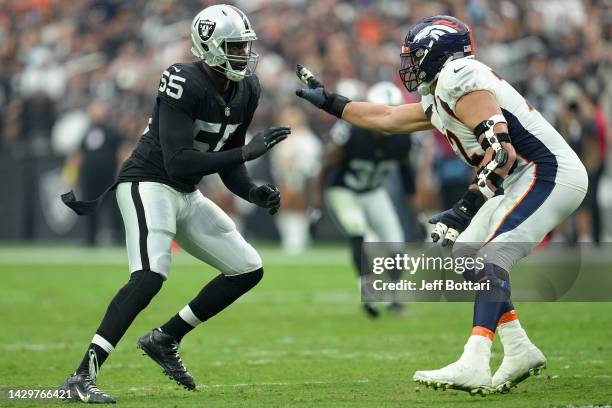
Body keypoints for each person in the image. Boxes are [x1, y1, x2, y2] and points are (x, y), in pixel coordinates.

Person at [296, 15, 587, 394]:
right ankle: (517, 348)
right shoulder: (441, 91)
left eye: (416, 57)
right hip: (521, 178)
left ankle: (476, 359)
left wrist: (462, 209)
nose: (411, 66)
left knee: (490, 259)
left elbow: (502, 154)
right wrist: (333, 103)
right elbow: (386, 117)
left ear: (438, 54)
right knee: (464, 255)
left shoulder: (459, 75)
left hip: (547, 174)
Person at [59, 5, 290, 403]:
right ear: (210, 47)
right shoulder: (183, 80)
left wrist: (253, 191)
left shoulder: (248, 89)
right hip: (147, 182)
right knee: (149, 276)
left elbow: (230, 161)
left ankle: (165, 338)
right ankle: (81, 375)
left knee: (247, 268)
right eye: (234, 47)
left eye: (245, 46)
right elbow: (178, 159)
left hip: (185, 192)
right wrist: (246, 155)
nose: (243, 55)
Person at [311, 81, 414, 318]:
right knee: (359, 232)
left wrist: (415, 212)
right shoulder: (353, 131)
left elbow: (408, 174)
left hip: (373, 191)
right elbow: (325, 167)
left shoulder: (402, 138)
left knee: (396, 244)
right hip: (343, 190)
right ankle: (368, 293)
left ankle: (392, 297)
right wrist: (316, 205)